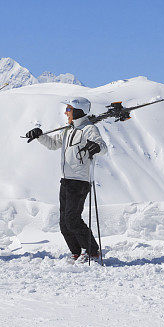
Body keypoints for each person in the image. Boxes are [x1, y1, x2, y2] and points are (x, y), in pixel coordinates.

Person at [25, 97, 106, 263]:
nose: (65, 112)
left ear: (77, 110)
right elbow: (54, 144)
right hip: (66, 180)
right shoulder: (68, 130)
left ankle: (93, 252)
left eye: (68, 109)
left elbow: (102, 146)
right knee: (64, 223)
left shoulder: (89, 129)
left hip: (80, 181)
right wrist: (39, 136)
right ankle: (76, 252)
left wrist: (96, 147)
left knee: (72, 219)